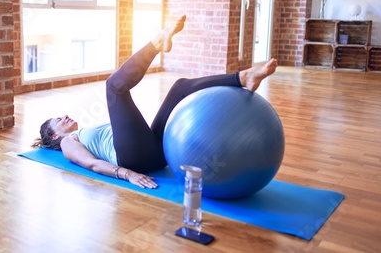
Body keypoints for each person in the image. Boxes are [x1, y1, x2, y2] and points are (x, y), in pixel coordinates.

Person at [34, 15, 278, 189]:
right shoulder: (68, 142)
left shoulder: (84, 132)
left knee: (180, 86)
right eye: (58, 121)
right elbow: (93, 165)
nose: (64, 117)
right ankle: (156, 44)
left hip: (156, 154)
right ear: (53, 136)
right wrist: (127, 174)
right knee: (114, 87)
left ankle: (241, 78)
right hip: (132, 160)